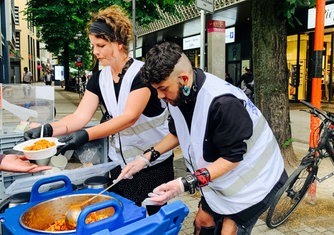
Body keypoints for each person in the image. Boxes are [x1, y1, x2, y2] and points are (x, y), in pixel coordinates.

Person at [118, 42, 288, 234]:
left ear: (183, 78)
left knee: (228, 230)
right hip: (219, 180)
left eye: (163, 88)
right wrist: (146, 158)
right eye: (155, 89)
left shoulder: (223, 104)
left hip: (254, 183)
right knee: (202, 222)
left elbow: (232, 158)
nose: (159, 96)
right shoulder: (180, 93)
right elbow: (177, 133)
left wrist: (184, 183)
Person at [23, 5, 174, 215]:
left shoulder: (142, 75)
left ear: (119, 43)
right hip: (118, 163)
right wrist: (47, 131)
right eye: (93, 45)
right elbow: (80, 116)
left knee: (148, 220)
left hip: (151, 164)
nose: (95, 51)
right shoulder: (99, 78)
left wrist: (85, 135)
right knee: (121, 216)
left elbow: (129, 117)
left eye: (101, 45)